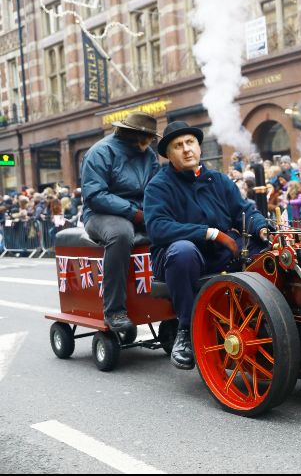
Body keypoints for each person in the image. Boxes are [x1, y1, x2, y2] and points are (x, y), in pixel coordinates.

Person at [144, 121, 271, 370]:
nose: (187, 149)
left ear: (199, 148)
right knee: (183, 250)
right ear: (168, 154)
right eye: (178, 146)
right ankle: (186, 331)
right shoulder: (159, 186)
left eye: (190, 142)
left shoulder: (218, 180)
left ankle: (264, 317)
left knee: (265, 251)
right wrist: (209, 233)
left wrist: (261, 228)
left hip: (218, 253)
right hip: (177, 259)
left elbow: (244, 210)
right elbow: (158, 228)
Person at [80, 111, 160, 331]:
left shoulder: (149, 156)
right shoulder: (100, 152)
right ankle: (114, 311)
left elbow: (155, 189)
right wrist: (134, 213)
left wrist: (156, 212)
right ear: (132, 135)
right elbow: (94, 196)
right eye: (148, 138)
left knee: (170, 230)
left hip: (139, 211)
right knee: (121, 234)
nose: (151, 142)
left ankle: (168, 300)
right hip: (100, 214)